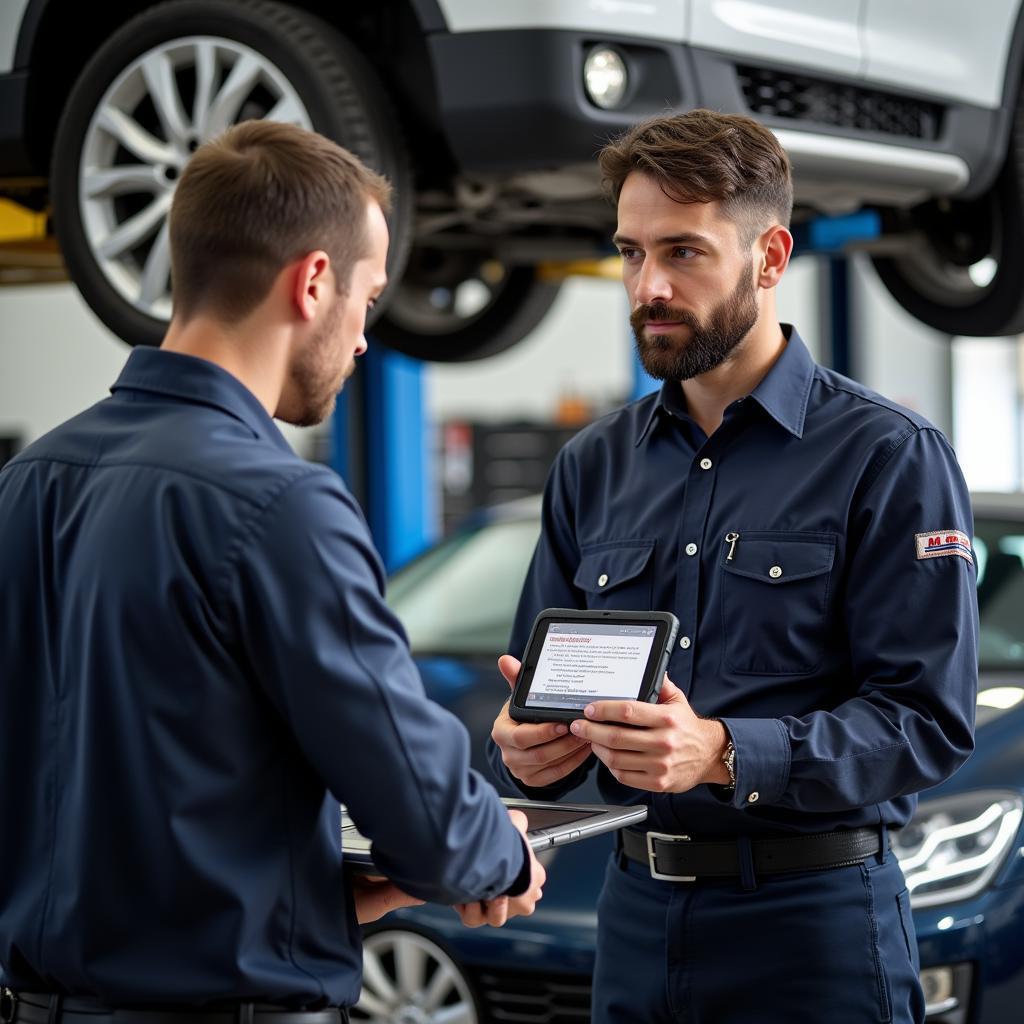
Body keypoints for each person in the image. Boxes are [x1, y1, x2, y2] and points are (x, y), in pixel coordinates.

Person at [0, 120, 544, 1024]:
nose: (365, 340)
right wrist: (502, 852)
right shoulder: (279, 503)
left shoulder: (27, 484)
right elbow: (424, 805)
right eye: (368, 300)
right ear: (314, 281)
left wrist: (311, 894)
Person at [488, 109, 978, 1024]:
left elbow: (926, 722)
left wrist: (722, 753)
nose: (649, 285)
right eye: (631, 253)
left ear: (771, 255)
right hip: (632, 916)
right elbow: (538, 704)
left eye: (684, 252)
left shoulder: (886, 454)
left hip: (814, 931)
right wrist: (528, 749)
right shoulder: (592, 467)